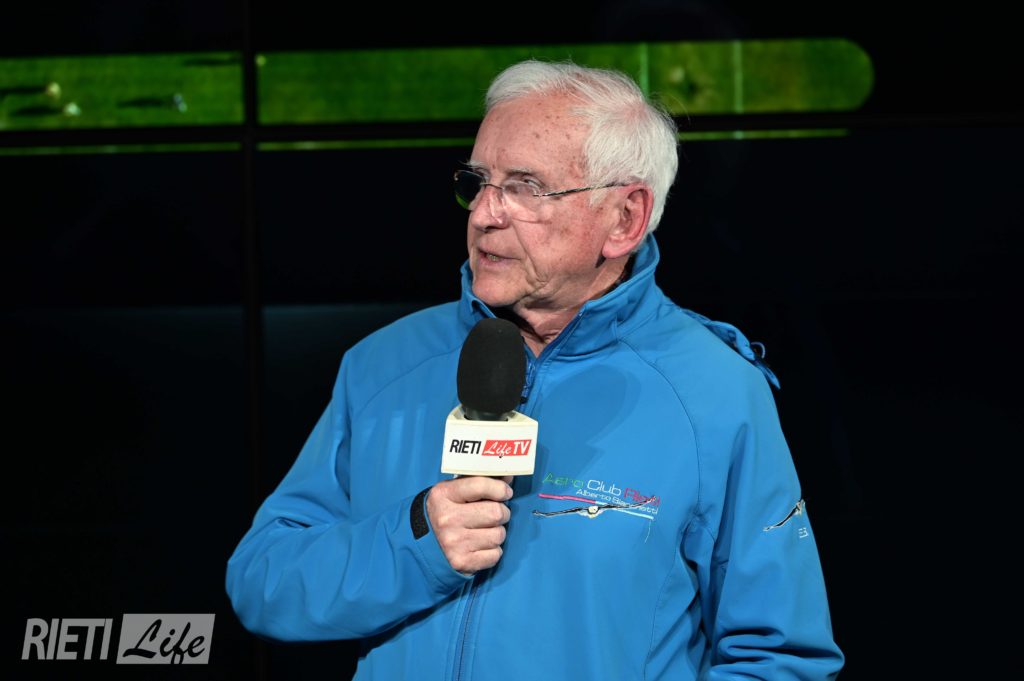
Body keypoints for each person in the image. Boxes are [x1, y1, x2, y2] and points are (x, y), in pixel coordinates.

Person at [227, 60, 844, 680]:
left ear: (624, 219)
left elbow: (780, 659)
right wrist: (413, 542)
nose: (484, 214)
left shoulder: (717, 392)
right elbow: (262, 582)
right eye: (478, 182)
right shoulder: (382, 364)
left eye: (525, 188)